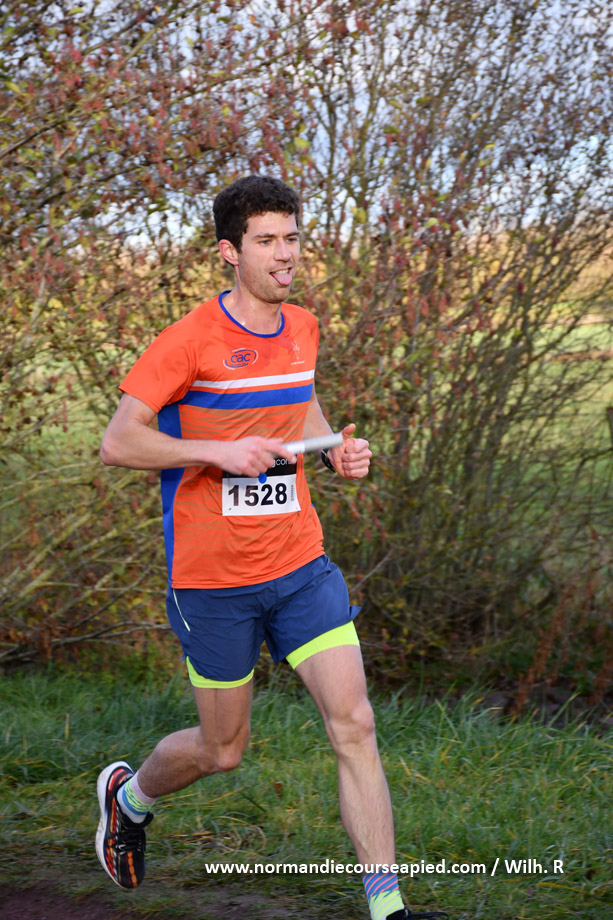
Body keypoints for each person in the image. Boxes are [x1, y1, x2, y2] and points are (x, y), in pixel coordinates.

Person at [95, 175, 448, 920]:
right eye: (266, 241)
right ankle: (129, 798)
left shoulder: (303, 327)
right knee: (222, 750)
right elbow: (118, 442)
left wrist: (331, 450)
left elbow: (300, 403)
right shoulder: (187, 341)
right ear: (230, 252)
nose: (284, 254)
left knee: (355, 723)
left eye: (291, 238)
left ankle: (387, 906)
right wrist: (213, 452)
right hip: (212, 580)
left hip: (298, 565)